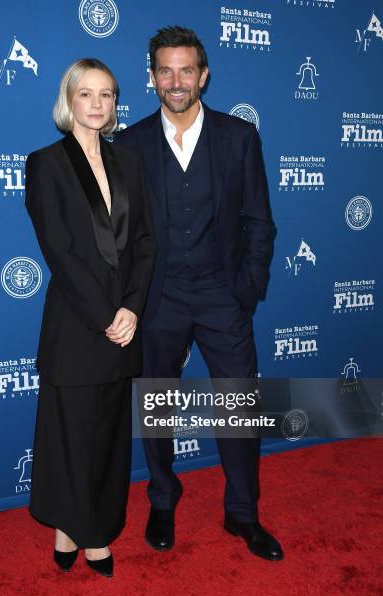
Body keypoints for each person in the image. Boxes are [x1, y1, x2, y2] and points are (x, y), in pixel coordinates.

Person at [116, 27, 283, 561]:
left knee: (238, 406)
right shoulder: (132, 142)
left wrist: (246, 292)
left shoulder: (239, 138)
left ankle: (243, 513)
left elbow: (260, 221)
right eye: (165, 70)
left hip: (221, 295)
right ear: (151, 77)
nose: (176, 80)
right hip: (158, 297)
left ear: (203, 75)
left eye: (186, 69)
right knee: (157, 404)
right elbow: (121, 232)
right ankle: (162, 497)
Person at [25, 58, 156, 577]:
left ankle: (96, 534)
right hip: (78, 325)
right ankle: (66, 526)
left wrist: (131, 309)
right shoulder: (45, 163)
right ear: (69, 100)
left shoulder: (130, 162)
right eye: (86, 94)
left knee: (108, 440)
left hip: (123, 323)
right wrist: (106, 314)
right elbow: (59, 251)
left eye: (107, 94)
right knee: (70, 436)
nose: (97, 104)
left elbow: (146, 243)